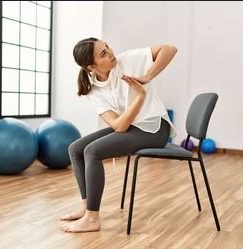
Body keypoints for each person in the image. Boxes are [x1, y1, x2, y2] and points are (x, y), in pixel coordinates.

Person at [60, 37, 178, 233]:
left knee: (92, 151)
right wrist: (139, 97)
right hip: (132, 127)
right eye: (103, 54)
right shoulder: (92, 89)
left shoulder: (128, 59)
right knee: (76, 149)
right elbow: (119, 125)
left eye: (107, 47)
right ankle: (86, 205)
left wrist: (148, 76)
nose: (111, 53)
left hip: (154, 128)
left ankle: (92, 218)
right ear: (91, 66)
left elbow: (170, 48)